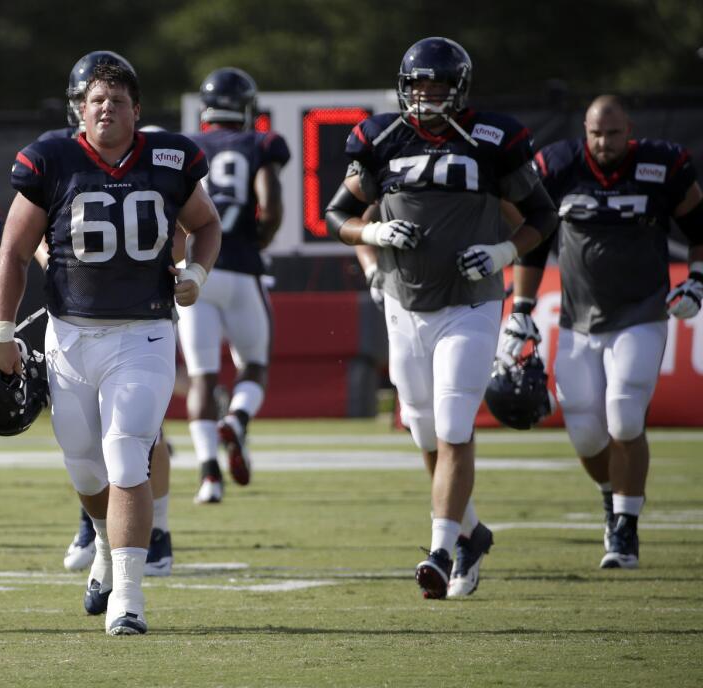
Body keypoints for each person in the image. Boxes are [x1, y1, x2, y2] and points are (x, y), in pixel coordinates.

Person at [0, 61, 221, 634]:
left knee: (126, 454)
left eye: (118, 99)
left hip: (143, 334)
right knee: (85, 466)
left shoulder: (170, 157)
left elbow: (207, 224)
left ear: (137, 109)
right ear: (80, 109)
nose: (106, 108)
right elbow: (13, 253)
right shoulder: (52, 160)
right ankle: (99, 539)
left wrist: (197, 272)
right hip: (69, 335)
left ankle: (131, 600)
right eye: (96, 100)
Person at [323, 37, 558, 599]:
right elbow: (339, 213)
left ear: (458, 89)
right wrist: (373, 235)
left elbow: (542, 214)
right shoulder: (381, 137)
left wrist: (504, 252)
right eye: (419, 85)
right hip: (404, 304)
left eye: (437, 86)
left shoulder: (493, 138)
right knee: (422, 427)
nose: (427, 96)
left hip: (470, 301)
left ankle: (439, 549)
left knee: (454, 427)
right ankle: (472, 532)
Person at [508, 95, 703, 569]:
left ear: (629, 130)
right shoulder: (556, 166)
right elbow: (535, 244)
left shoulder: (663, 164)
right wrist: (523, 306)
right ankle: (610, 495)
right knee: (585, 433)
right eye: (597, 133)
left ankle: (625, 527)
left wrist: (696, 279)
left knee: (623, 415)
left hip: (642, 311)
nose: (604, 142)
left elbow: (701, 227)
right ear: (584, 130)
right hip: (577, 318)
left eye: (613, 134)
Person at [181, 67, 289, 504]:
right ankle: (239, 418)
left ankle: (209, 476)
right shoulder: (259, 143)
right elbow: (271, 202)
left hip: (196, 271)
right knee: (255, 365)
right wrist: (260, 239)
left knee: (203, 379)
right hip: (243, 266)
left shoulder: (187, 148)